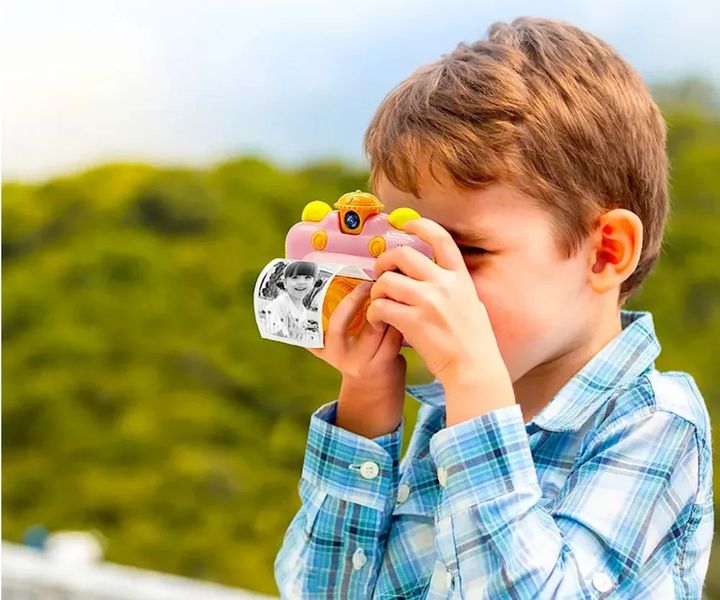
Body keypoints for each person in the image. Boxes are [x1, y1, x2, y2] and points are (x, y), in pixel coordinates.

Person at [274, 17, 713, 599]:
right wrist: (368, 398)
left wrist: (475, 389)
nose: (427, 280)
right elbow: (314, 590)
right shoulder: (446, 410)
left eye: (466, 251)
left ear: (606, 252)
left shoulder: (656, 423)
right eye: (407, 249)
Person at [263, 261, 320, 345]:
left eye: (307, 277)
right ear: (285, 282)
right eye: (295, 277)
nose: (301, 282)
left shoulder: (302, 308)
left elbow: (299, 326)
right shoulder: (278, 305)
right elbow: (275, 335)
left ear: (313, 283)